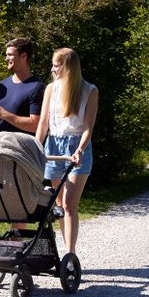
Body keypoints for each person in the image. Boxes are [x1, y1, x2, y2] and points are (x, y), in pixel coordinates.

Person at [35, 47, 99, 256]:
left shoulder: (89, 91)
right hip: (54, 146)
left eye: (56, 65)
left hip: (77, 147)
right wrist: (35, 147)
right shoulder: (50, 89)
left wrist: (79, 150)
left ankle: (70, 255)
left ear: (67, 67)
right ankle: (66, 251)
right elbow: (43, 123)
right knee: (60, 204)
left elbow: (88, 127)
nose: (52, 69)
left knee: (70, 203)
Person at [0, 38, 45, 141]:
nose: (6, 59)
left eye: (10, 55)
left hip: (22, 148)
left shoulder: (37, 87)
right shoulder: (2, 85)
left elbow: (36, 125)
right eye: (6, 55)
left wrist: (4, 115)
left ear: (23, 56)